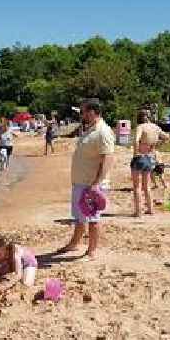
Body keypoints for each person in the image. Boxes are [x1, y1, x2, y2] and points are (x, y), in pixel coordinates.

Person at [56, 99, 115, 261]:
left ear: (92, 112)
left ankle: (92, 250)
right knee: (80, 217)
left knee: (93, 219)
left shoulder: (103, 131)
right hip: (81, 182)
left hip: (92, 184)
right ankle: (74, 243)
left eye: (83, 111)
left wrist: (96, 184)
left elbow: (108, 158)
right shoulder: (90, 129)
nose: (81, 115)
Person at [131, 110, 170, 217]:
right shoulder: (155, 127)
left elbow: (135, 140)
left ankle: (138, 211)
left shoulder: (141, 127)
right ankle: (150, 209)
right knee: (147, 186)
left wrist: (136, 153)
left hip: (140, 156)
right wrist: (157, 146)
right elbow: (167, 137)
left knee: (137, 187)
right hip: (150, 157)